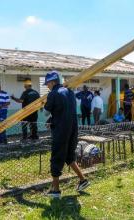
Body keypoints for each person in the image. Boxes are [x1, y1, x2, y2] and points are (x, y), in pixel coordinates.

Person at [43, 70, 90, 198]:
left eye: (47, 83)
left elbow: (45, 113)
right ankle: (83, 180)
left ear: (52, 82)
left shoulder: (53, 94)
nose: (47, 86)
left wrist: (45, 104)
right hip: (73, 129)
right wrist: (53, 118)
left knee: (56, 157)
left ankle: (56, 191)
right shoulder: (70, 92)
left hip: (61, 130)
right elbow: (64, 111)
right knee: (69, 157)